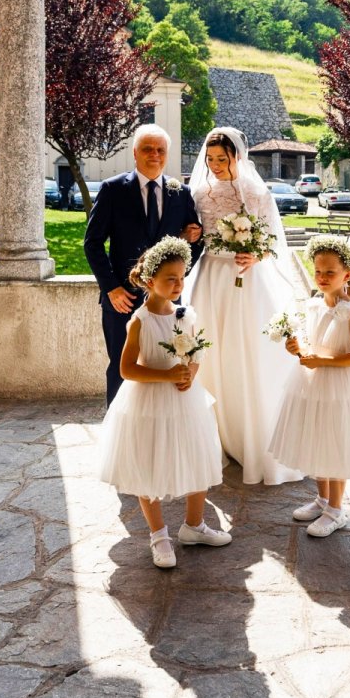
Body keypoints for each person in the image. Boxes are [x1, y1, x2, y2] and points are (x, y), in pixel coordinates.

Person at [98, 236, 231, 568]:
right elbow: (127, 368)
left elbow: (197, 353)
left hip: (186, 401)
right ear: (149, 280)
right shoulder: (140, 321)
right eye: (170, 278)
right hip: (149, 402)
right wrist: (167, 377)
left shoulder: (186, 315)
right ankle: (158, 535)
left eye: (182, 277)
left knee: (197, 457)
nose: (178, 284)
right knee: (150, 465)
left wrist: (189, 375)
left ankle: (195, 525)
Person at [186, 127, 302, 485]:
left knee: (245, 355)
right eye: (210, 159)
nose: (215, 165)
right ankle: (213, 439)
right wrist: (192, 234)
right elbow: (196, 234)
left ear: (237, 156)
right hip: (210, 280)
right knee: (210, 354)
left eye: (222, 159)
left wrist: (255, 257)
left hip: (246, 282)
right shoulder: (200, 192)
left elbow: (271, 243)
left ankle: (252, 438)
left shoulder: (256, 192)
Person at [269, 235, 350, 537]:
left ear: (346, 274)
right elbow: (311, 344)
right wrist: (297, 349)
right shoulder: (312, 305)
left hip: (340, 385)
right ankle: (322, 499)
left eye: (329, 273)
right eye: (318, 272)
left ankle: (336, 509)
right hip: (312, 383)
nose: (322, 278)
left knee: (336, 443)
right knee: (317, 438)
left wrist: (322, 362)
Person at [84, 124, 203, 406]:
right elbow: (92, 243)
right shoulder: (113, 189)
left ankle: (160, 428)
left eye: (161, 150)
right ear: (135, 153)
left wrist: (176, 277)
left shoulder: (181, 193)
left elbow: (194, 243)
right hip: (122, 299)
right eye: (148, 149)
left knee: (166, 364)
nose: (155, 155)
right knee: (120, 366)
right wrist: (111, 288)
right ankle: (118, 430)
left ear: (167, 155)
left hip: (166, 305)